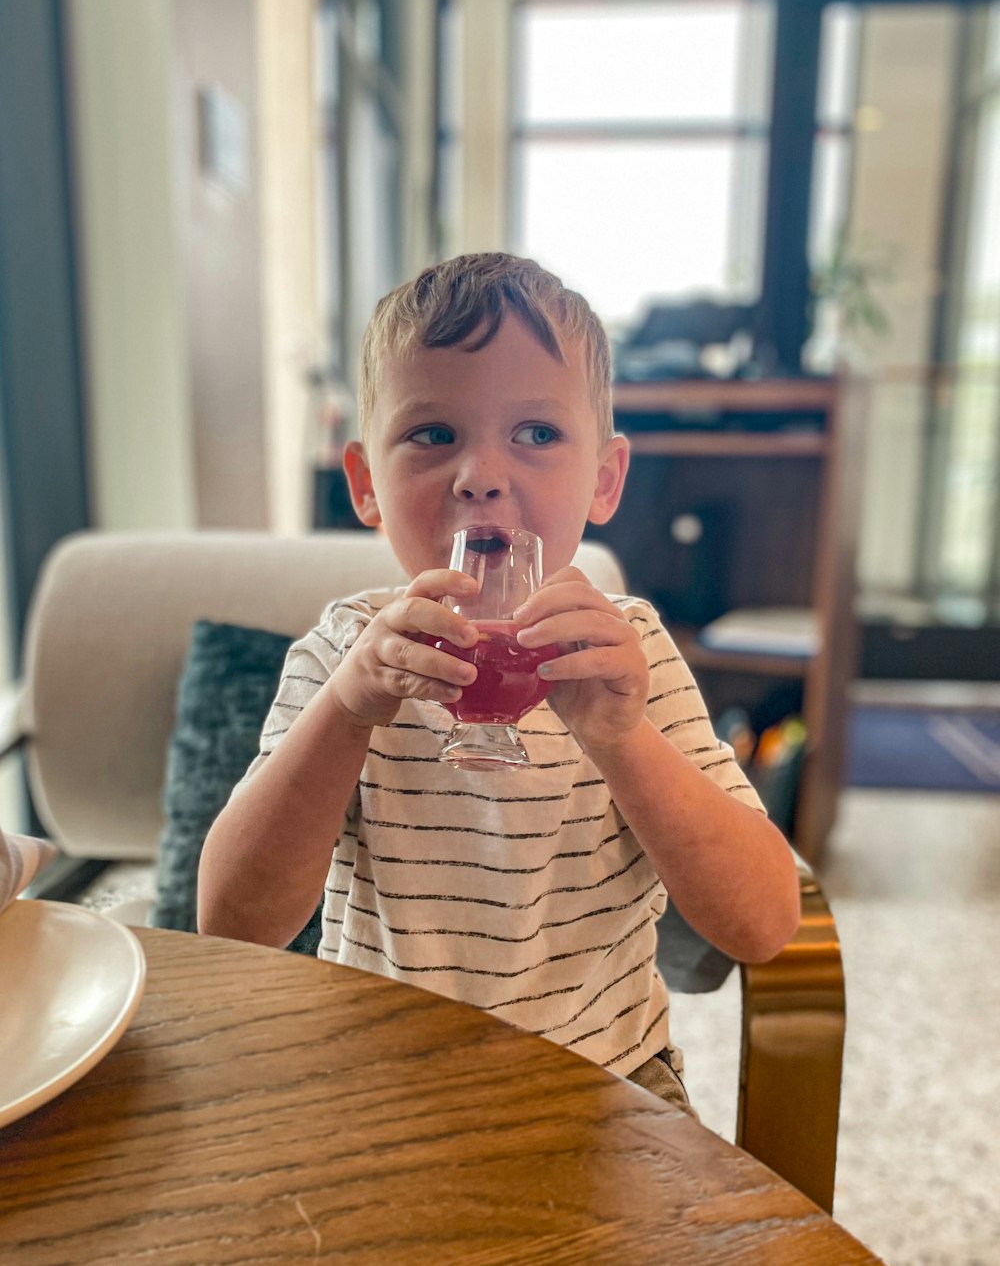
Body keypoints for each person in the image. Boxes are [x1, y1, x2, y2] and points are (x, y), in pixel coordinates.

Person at [198, 252, 800, 1109]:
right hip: (374, 1090)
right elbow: (233, 920)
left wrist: (622, 740)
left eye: (538, 434)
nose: (481, 473)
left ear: (604, 479)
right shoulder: (344, 653)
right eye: (433, 434)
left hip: (606, 1084)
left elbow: (765, 923)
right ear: (367, 483)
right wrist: (345, 709)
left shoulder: (632, 659)